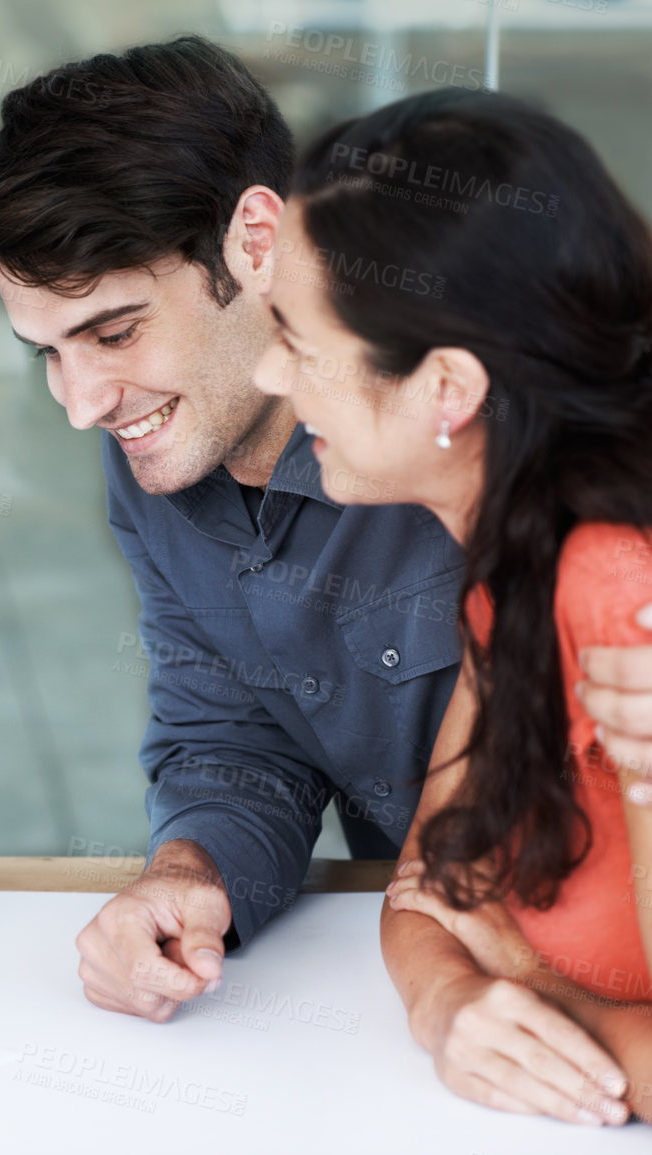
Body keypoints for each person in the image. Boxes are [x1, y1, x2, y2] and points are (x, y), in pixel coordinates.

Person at [0, 36, 652, 1122]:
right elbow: (348, 831)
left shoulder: (589, 566)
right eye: (46, 352)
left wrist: (542, 998)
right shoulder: (495, 582)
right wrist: (194, 877)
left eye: (113, 331)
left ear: (256, 242)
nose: (82, 402)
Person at [252, 87, 652, 1125]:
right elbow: (426, 893)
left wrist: (534, 984)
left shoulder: (620, 591)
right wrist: (450, 1003)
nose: (265, 372)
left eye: (296, 340)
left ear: (447, 390)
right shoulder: (512, 558)